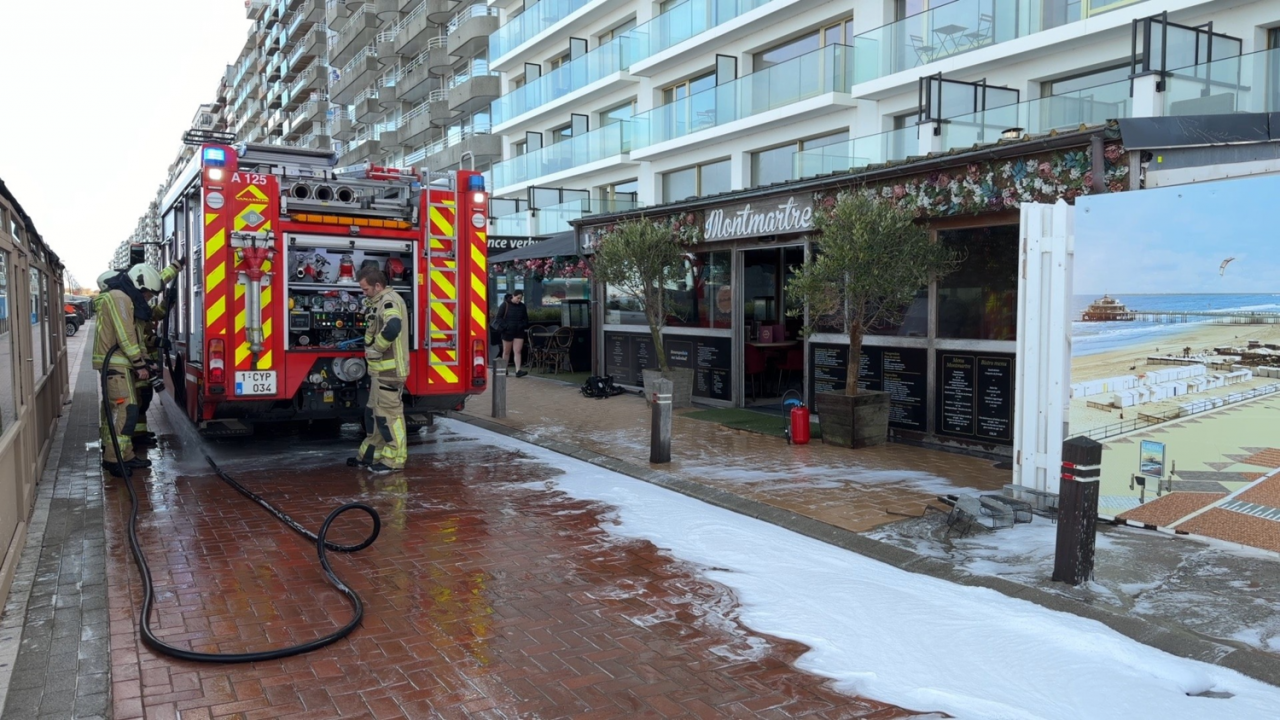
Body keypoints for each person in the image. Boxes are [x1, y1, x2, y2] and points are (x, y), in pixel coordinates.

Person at [93, 263, 163, 477]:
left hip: (119, 363)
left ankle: (126, 455)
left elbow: (135, 335)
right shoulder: (120, 298)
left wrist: (145, 361)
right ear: (140, 285)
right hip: (116, 364)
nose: (149, 299)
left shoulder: (125, 297)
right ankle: (114, 460)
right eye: (149, 294)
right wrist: (139, 363)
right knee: (126, 410)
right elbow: (125, 336)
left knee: (122, 409)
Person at [348, 267, 409, 473]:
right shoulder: (379, 301)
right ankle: (370, 456)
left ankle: (394, 460)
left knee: (389, 417)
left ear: (377, 286)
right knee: (375, 415)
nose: (364, 293)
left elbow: (393, 326)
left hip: (389, 372)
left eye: (365, 289)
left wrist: (376, 348)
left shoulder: (388, 301)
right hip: (380, 373)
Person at [132, 258, 185, 445]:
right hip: (137, 363)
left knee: (143, 400)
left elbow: (156, 312)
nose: (149, 297)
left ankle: (139, 434)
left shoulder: (139, 303)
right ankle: (136, 437)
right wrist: (157, 340)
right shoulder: (131, 306)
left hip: (145, 361)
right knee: (138, 401)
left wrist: (168, 301)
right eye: (147, 294)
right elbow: (138, 338)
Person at [498, 291, 529, 377]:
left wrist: (522, 325)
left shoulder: (522, 307)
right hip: (507, 331)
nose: (519, 300)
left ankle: (518, 370)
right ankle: (504, 369)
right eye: (517, 298)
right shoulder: (505, 305)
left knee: (518, 351)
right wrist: (506, 327)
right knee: (506, 351)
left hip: (518, 331)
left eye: (520, 298)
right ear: (513, 296)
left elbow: (526, 319)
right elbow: (498, 318)